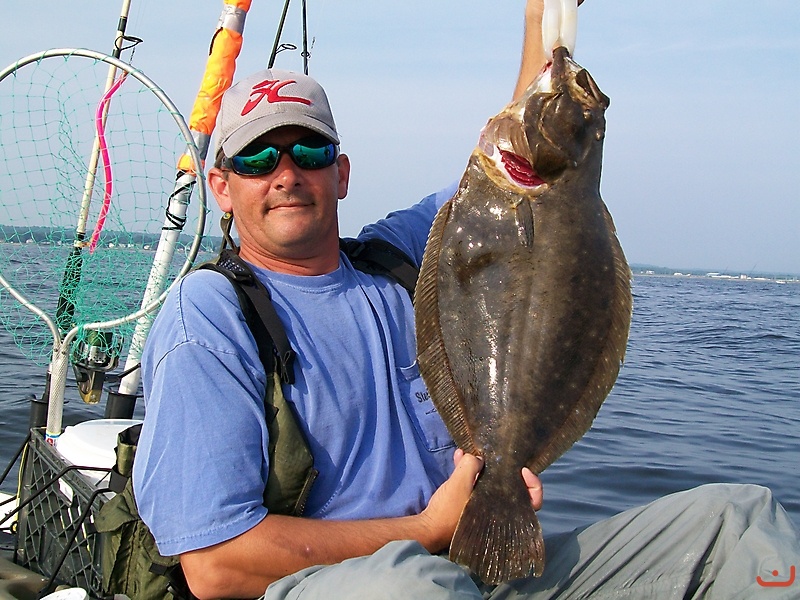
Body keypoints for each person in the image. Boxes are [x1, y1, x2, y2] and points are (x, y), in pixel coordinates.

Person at [133, 1, 800, 598]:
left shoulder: (403, 255)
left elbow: (527, 158)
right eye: (256, 160)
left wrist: (544, 14)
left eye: (307, 150)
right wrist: (429, 529)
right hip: (347, 585)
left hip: (471, 570)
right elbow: (216, 565)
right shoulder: (212, 316)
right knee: (410, 589)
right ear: (222, 187)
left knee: (740, 524)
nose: (285, 174)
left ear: (339, 173)